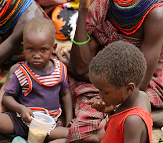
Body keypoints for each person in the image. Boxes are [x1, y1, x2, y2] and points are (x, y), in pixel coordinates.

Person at [47, 41, 153, 143]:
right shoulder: (139, 97)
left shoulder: (134, 120)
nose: (100, 96)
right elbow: (117, 133)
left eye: (104, 92)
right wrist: (111, 112)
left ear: (129, 88)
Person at [57, 0, 163, 129]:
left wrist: (110, 102)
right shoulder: (102, 4)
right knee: (52, 75)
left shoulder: (156, 13)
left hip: (133, 85)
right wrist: (83, 10)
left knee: (94, 124)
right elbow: (81, 69)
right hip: (100, 72)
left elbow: (139, 85)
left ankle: (142, 117)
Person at [0, 17, 73, 143]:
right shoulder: (21, 72)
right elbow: (7, 98)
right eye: (30, 49)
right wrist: (21, 108)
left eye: (43, 50)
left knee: (73, 135)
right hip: (22, 120)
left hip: (49, 125)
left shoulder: (60, 70)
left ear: (53, 47)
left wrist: (69, 119)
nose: (36, 55)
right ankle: (23, 139)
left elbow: (65, 95)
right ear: (23, 47)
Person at [0, 0, 50, 113]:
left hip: (22, 65)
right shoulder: (1, 12)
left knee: (16, 73)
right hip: (5, 61)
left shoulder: (28, 16)